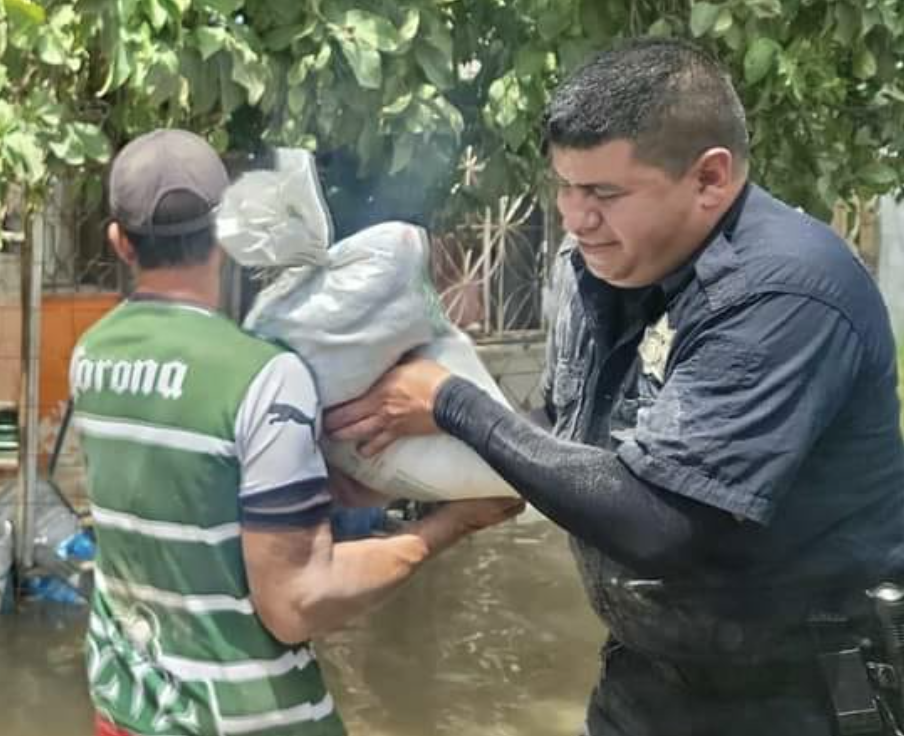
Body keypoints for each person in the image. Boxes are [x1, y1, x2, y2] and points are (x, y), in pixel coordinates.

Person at [328, 38, 904, 736]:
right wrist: (399, 472)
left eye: (604, 192)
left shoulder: (785, 293)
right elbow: (565, 437)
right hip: (648, 680)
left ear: (710, 180)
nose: (575, 217)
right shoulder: (597, 268)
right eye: (565, 187)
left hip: (796, 701)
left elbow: (660, 523)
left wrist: (453, 404)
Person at [75, 128, 522, 736]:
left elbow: (189, 503)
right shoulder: (263, 376)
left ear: (121, 243)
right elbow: (297, 602)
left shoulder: (91, 356)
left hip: (124, 710)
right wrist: (445, 527)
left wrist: (329, 486)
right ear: (226, 233)